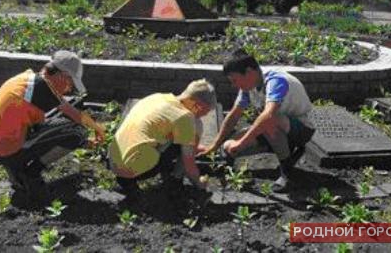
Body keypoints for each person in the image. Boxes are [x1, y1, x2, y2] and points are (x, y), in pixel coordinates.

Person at [0, 50, 105, 202]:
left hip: (2, 145)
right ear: (61, 75)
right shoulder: (41, 86)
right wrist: (98, 129)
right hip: (10, 149)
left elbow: (39, 124)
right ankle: (31, 172)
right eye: (70, 82)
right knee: (77, 132)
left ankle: (17, 170)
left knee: (64, 129)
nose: (69, 89)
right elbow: (75, 114)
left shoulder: (28, 80)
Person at [197, 50, 315, 193]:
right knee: (228, 146)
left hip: (301, 130)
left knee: (270, 120)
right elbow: (234, 115)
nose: (234, 85)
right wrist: (215, 146)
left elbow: (268, 115)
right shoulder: (249, 86)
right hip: (277, 131)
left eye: (235, 80)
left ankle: (287, 173)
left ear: (248, 72)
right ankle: (286, 152)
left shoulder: (276, 81)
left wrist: (241, 143)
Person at [108, 79, 215, 194]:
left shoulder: (158, 97)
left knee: (174, 137)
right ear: (198, 104)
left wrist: (194, 146)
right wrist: (199, 184)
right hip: (129, 169)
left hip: (113, 160)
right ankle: (175, 180)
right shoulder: (184, 117)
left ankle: (127, 180)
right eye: (205, 111)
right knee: (195, 129)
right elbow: (188, 163)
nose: (204, 115)